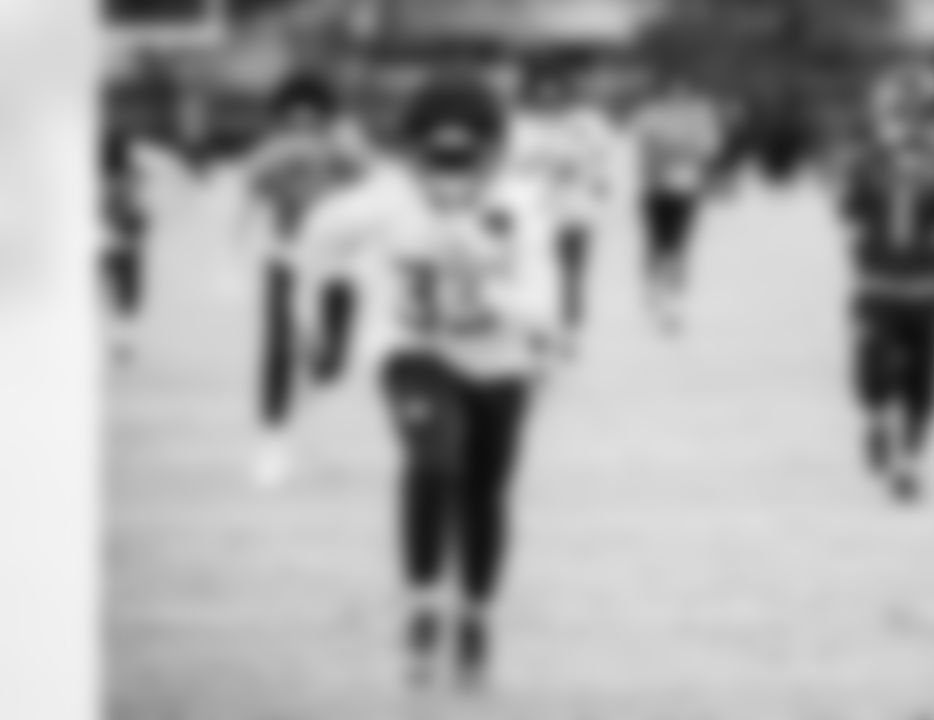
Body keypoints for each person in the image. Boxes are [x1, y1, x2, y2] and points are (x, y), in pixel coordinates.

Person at [296, 76, 563, 689]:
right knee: (434, 459)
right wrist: (322, 319)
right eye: (438, 157)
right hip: (414, 351)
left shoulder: (520, 209)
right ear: (412, 153)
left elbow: (545, 308)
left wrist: (488, 286)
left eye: (466, 158)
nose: (451, 174)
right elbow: (313, 241)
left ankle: (475, 615)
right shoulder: (384, 200)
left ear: (493, 153)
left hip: (498, 361)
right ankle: (422, 603)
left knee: (484, 493)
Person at [839, 66, 934, 504]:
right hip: (879, 283)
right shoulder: (868, 160)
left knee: (925, 379)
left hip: (931, 285)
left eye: (917, 108)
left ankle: (910, 460)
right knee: (872, 369)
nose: (907, 118)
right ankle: (877, 421)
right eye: (898, 108)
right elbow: (849, 211)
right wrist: (864, 235)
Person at [234, 72, 372, 487]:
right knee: (278, 349)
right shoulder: (270, 153)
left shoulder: (343, 148)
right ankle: (272, 441)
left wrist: (344, 141)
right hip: (287, 260)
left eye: (311, 120)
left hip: (337, 267)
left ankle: (305, 415)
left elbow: (368, 179)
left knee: (332, 362)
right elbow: (248, 194)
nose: (302, 129)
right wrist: (234, 254)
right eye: (293, 120)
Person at [508, 62, 615, 355]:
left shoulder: (587, 123)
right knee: (534, 274)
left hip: (575, 210)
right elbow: (510, 162)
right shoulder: (520, 125)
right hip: (533, 212)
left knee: (572, 273)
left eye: (555, 91)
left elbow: (600, 161)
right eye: (542, 92)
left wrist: (584, 170)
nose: (549, 97)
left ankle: (570, 332)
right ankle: (537, 331)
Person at [629, 79, 725, 334]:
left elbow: (710, 148)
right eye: (672, 93)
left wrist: (679, 148)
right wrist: (676, 148)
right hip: (655, 188)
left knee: (678, 246)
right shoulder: (651, 115)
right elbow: (641, 145)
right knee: (655, 243)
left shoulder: (699, 116)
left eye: (682, 94)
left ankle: (674, 302)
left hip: (686, 190)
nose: (677, 98)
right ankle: (653, 288)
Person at [101, 126, 148, 364]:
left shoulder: (107, 180)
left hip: (110, 241)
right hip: (126, 243)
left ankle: (118, 343)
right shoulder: (130, 178)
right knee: (125, 298)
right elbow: (137, 213)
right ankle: (122, 343)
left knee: (114, 296)